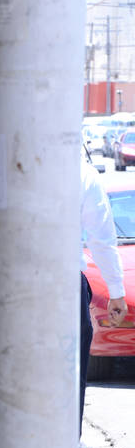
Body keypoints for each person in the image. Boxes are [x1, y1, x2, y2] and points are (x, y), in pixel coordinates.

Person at [79, 160, 127, 433]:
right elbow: (101, 239)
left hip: (12, 284)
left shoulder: (3, 166)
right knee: (71, 378)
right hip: (63, 285)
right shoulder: (82, 172)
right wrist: (116, 292)